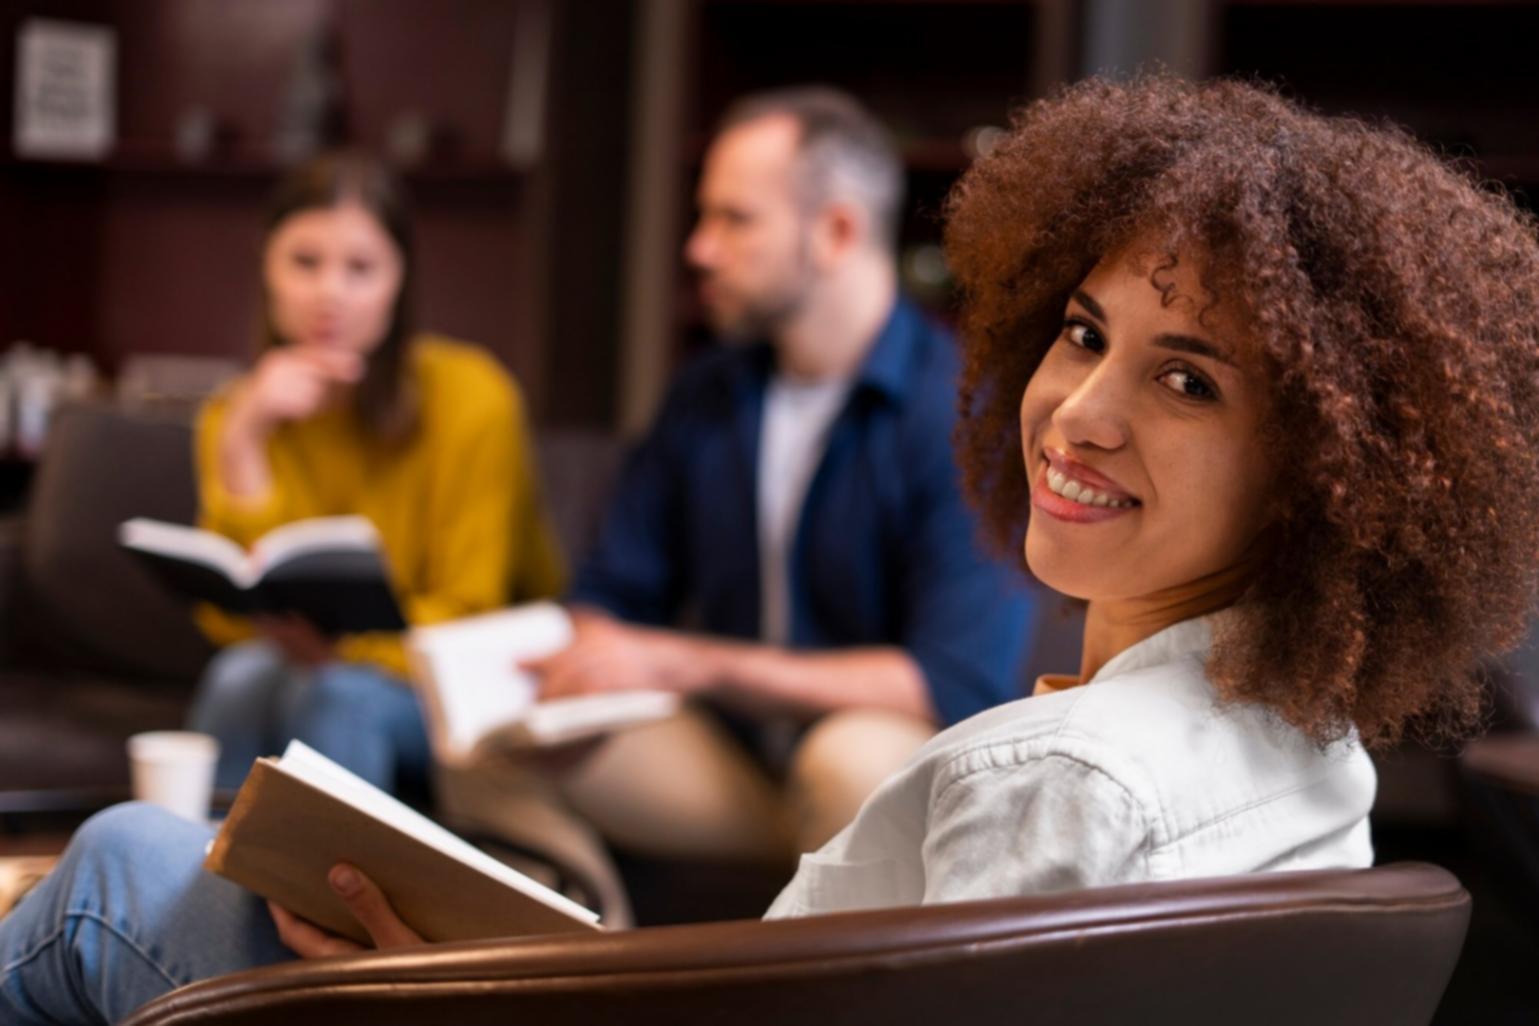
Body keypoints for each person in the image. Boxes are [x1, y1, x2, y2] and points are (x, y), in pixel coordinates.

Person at [6, 73, 1539, 1024]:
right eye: (1081, 333)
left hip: (831, 771)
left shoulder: (1047, 784)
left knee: (118, 868)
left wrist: (468, 998)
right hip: (719, 886)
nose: (1073, 409)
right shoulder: (1308, 753)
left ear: (1322, 470)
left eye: (1185, 377)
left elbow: (941, 684)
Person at [439, 88, 1037, 895]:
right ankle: (586, 976)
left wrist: (686, 661)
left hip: (867, 773)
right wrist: (577, 663)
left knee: (848, 759)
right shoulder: (709, 393)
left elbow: (951, 678)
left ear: (836, 232)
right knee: (488, 743)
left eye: (733, 220)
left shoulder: (960, 411)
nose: (698, 249)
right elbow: (614, 589)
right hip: (730, 771)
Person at [185, 152, 564, 798]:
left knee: (337, 695)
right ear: (267, 269)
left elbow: (468, 612)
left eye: (360, 269)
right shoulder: (237, 412)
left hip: (463, 678)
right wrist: (245, 439)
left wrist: (340, 650)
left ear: (399, 282)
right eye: (304, 263)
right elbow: (229, 619)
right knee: (238, 676)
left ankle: (334, 899)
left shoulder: (474, 397)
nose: (329, 292)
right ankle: (202, 884)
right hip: (318, 666)